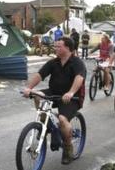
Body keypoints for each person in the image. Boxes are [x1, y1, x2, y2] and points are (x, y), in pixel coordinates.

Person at [23, 37, 86, 165]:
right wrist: (29, 88)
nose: (55, 48)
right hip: (54, 93)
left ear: (68, 48)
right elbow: (40, 75)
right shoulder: (54, 62)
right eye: (55, 46)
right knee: (37, 95)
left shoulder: (77, 62)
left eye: (59, 46)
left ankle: (68, 148)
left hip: (71, 97)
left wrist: (71, 92)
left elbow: (79, 78)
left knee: (63, 120)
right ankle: (44, 123)